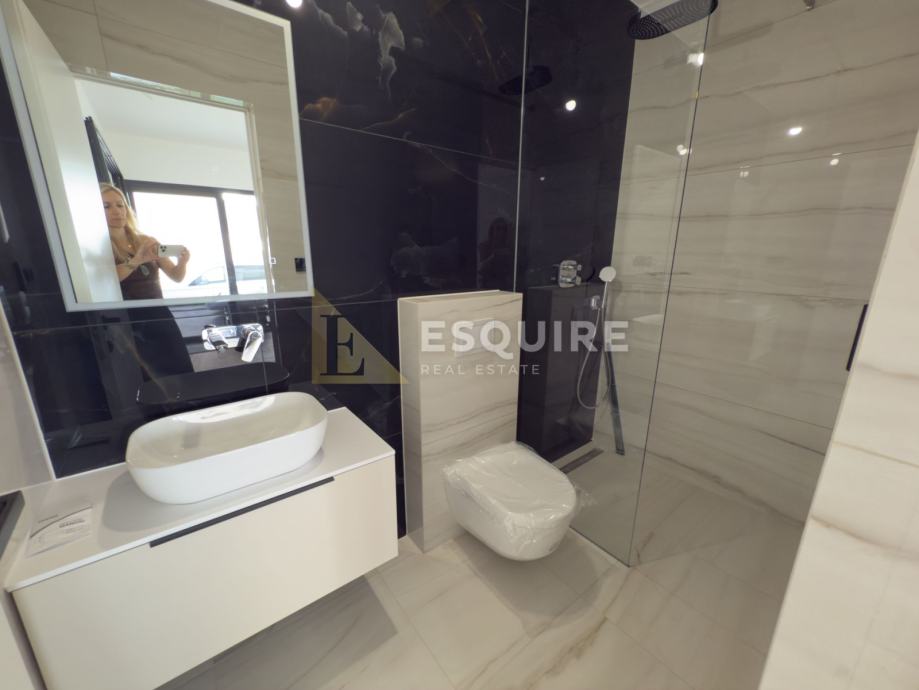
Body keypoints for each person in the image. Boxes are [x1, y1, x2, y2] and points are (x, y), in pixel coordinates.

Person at [101, 183, 190, 300]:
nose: (117, 211)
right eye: (106, 206)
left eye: (120, 205)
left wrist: (182, 262)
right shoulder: (100, 247)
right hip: (126, 310)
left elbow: (176, 277)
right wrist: (137, 260)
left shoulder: (146, 240)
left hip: (158, 308)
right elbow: (106, 279)